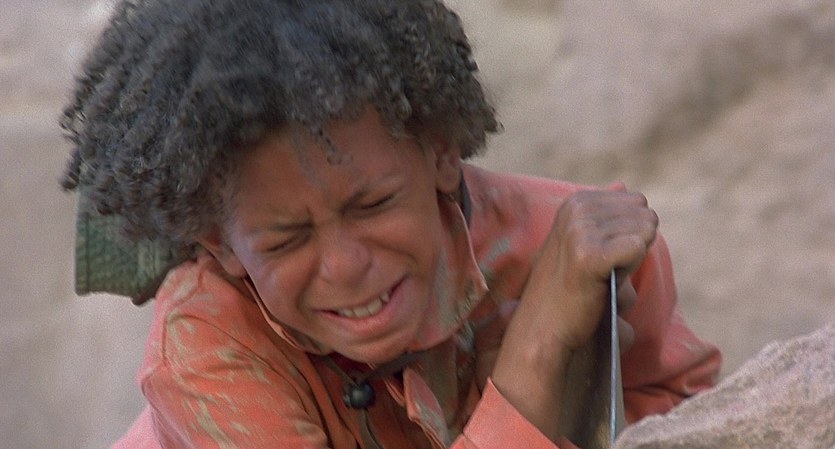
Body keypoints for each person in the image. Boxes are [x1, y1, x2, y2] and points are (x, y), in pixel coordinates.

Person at [61, 0, 721, 448]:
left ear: (439, 153)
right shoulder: (206, 351)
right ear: (218, 243)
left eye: (372, 205)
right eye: (287, 239)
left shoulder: (583, 256)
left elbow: (695, 415)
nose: (346, 265)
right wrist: (538, 355)